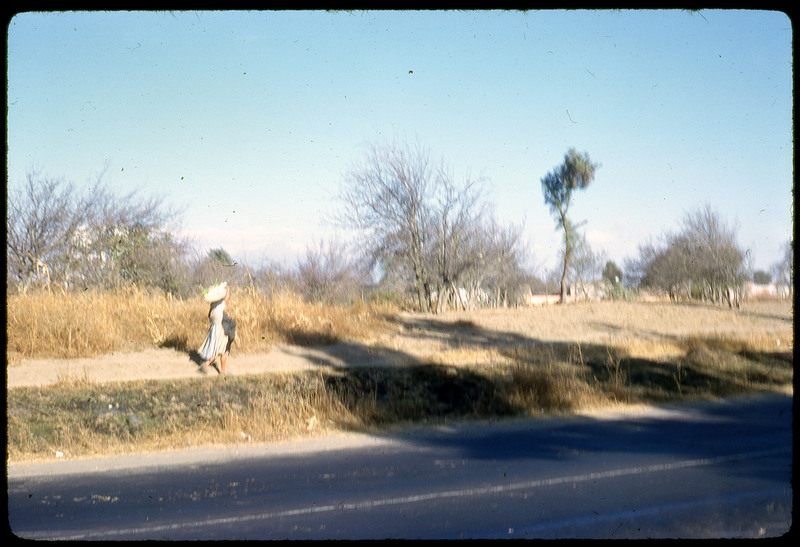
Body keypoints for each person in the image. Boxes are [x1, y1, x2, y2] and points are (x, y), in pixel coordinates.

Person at [198, 283, 235, 374]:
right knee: (222, 350)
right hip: (220, 330)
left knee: (220, 350)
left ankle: (222, 370)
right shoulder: (220, 305)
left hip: (214, 329)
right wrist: (227, 289)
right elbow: (226, 298)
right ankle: (207, 364)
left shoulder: (212, 307)